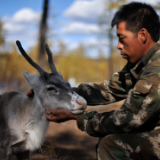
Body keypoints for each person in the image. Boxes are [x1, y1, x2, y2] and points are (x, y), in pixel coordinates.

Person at [28, 2, 160, 160]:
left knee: (112, 145)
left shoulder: (156, 70)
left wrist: (76, 117)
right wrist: (58, 92)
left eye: (122, 38)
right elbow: (108, 90)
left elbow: (127, 119)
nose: (118, 46)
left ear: (142, 35)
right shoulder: (141, 64)